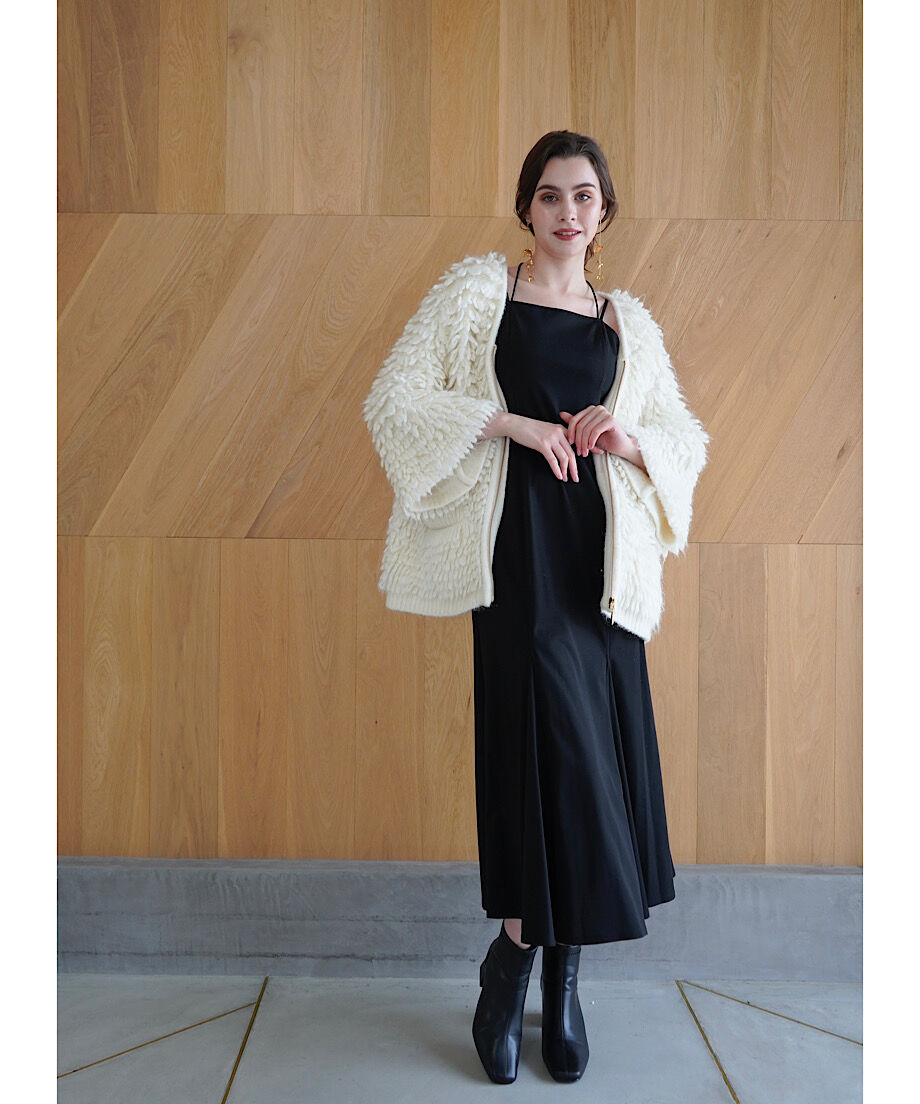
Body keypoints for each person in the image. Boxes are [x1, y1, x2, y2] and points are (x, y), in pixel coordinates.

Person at [363, 130, 710, 1085]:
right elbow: (395, 402)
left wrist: (626, 437)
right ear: (527, 207)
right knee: (540, 752)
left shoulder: (627, 324)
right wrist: (509, 423)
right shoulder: (481, 296)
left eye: (584, 196)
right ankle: (515, 962)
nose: (567, 211)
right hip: (517, 554)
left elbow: (683, 439)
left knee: (592, 761)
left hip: (602, 566)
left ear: (604, 213)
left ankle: (558, 978)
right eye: (551, 195)